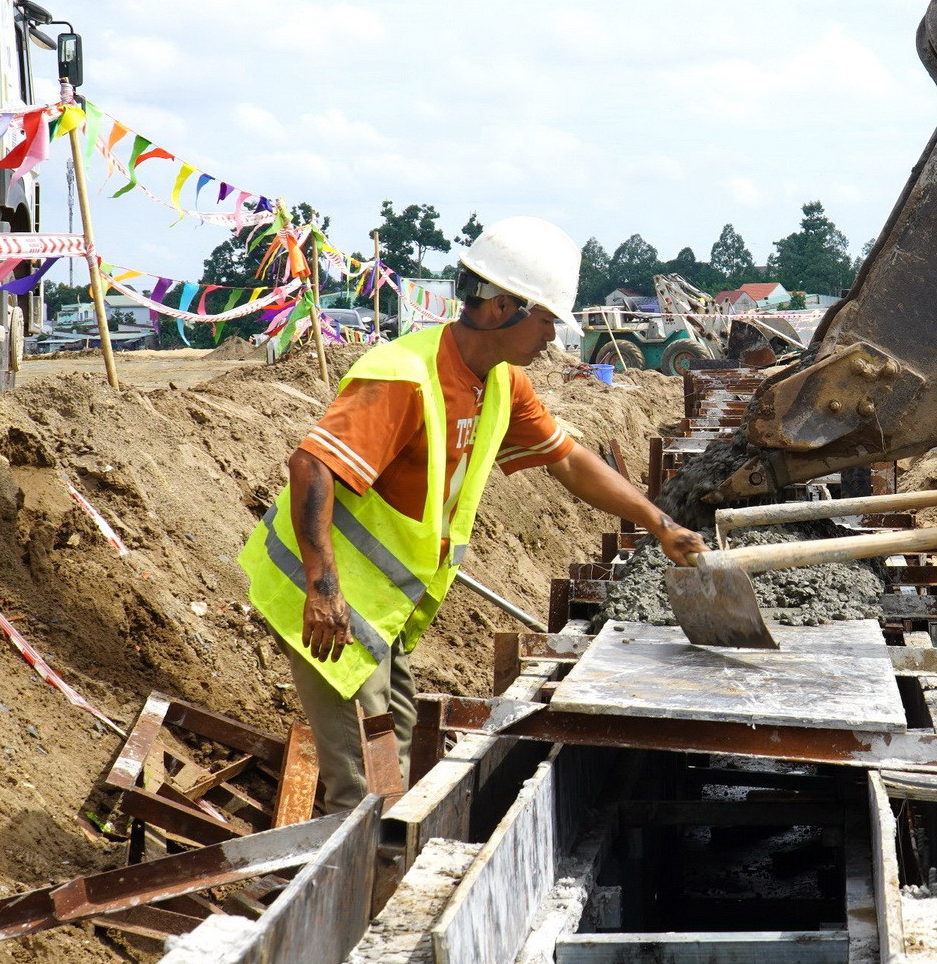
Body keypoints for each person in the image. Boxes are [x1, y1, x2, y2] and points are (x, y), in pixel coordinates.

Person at [238, 217, 706, 812]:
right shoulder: (403, 375)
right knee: (362, 776)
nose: (551, 339)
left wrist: (658, 523)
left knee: (396, 733)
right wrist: (323, 588)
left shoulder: (503, 383)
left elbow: (569, 460)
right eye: (545, 320)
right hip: (323, 599)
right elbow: (311, 465)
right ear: (499, 308)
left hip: (377, 605)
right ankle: (353, 888)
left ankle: (383, 862)